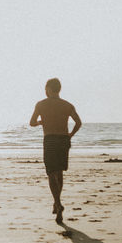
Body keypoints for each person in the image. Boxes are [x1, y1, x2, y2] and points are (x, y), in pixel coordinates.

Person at [29, 77, 82, 223]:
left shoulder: (41, 104)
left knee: (51, 173)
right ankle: (56, 202)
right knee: (59, 173)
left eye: (45, 89)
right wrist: (70, 135)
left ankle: (58, 203)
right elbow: (78, 122)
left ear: (49, 89)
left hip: (50, 139)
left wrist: (41, 122)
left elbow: (32, 123)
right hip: (64, 139)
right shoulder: (67, 105)